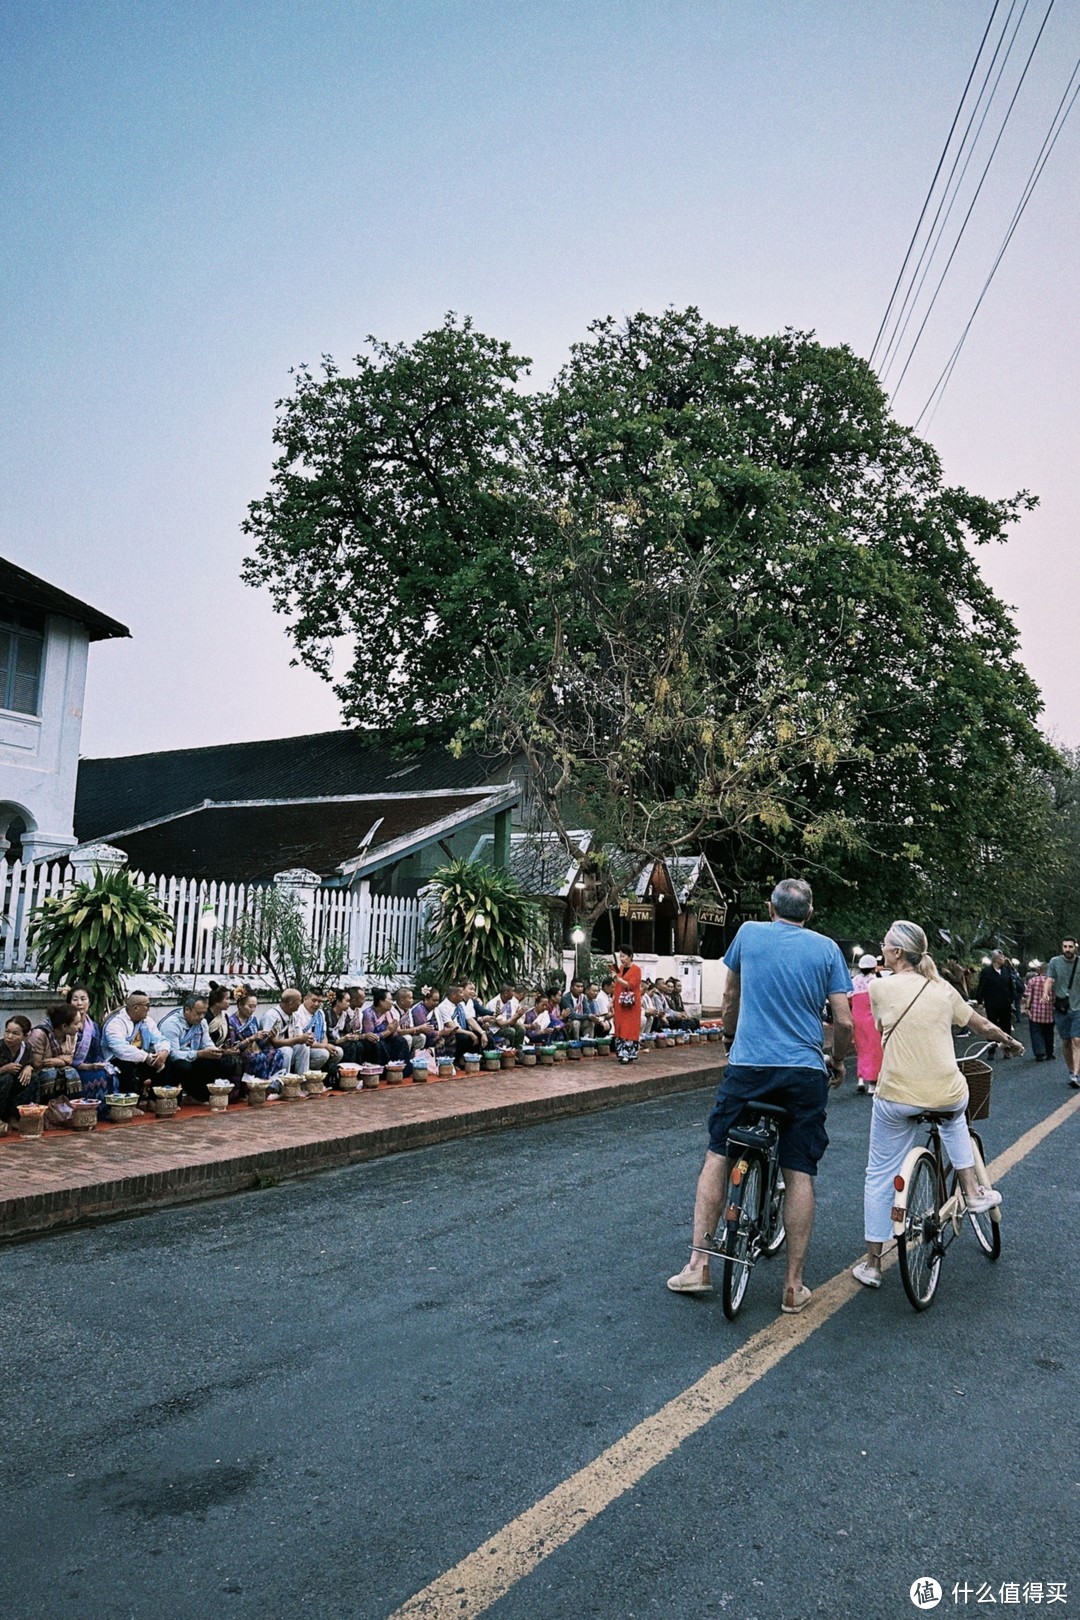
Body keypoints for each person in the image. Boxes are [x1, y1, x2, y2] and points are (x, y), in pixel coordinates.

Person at [667, 878, 853, 1314]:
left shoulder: (748, 934)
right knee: (800, 1171)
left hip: (748, 1067)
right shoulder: (827, 949)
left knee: (718, 1153)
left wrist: (730, 1038)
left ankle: (698, 1264)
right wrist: (837, 1060)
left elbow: (730, 993)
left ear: (771, 908)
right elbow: (844, 1022)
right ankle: (792, 1286)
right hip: (804, 1072)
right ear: (809, 914)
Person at [851, 920, 1020, 1290]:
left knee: (879, 1175)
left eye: (885, 944)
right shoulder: (943, 990)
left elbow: (881, 1028)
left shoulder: (879, 987)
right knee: (955, 1114)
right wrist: (1009, 1041)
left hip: (896, 1096)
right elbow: (981, 1026)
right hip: (944, 1092)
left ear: (896, 953)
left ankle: (873, 1265)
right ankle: (974, 1192)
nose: (881, 947)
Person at [158, 994, 243, 1102]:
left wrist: (220, 1051)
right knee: (183, 1065)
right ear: (187, 1010)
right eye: (198, 1013)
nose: (202, 1016)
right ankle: (173, 1096)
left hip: (193, 1056)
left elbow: (207, 1043)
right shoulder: (171, 1024)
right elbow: (173, 1054)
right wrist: (199, 1054)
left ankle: (202, 1096)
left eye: (204, 1013)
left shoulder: (202, 1023)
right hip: (172, 1062)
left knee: (224, 1061)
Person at [102, 992, 170, 1102]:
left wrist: (163, 1052)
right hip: (117, 1060)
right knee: (126, 1064)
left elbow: (160, 1039)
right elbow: (120, 1049)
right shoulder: (116, 1022)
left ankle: (154, 1100)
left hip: (142, 1057)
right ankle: (129, 1103)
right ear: (136, 1008)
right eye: (147, 1005)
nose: (149, 1009)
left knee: (166, 1060)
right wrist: (147, 1057)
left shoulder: (147, 1021)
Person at [65, 982, 117, 1110]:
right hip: (73, 1066)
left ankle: (108, 1111)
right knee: (98, 1077)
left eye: (83, 999)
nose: (79, 1003)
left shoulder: (93, 1026)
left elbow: (97, 1052)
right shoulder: (64, 1024)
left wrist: (100, 1064)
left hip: (90, 1064)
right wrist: (88, 1067)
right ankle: (89, 1111)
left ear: (89, 1002)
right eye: (75, 999)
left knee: (110, 1074)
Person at [226, 991, 285, 1087]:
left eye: (255, 1006)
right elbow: (234, 1047)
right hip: (240, 1053)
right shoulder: (231, 1022)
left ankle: (270, 1083)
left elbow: (260, 1044)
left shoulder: (253, 1020)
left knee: (277, 1053)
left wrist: (269, 1037)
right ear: (239, 1005)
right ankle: (262, 1085)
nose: (253, 1010)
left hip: (255, 1051)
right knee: (259, 1058)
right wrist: (251, 1038)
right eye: (250, 1006)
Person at [28, 1002, 84, 1100]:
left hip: (58, 1068)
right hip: (37, 1073)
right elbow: (37, 1063)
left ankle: (71, 1108)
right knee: (50, 1073)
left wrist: (58, 1061)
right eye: (75, 1023)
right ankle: (46, 1108)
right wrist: (61, 1060)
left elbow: (70, 1059)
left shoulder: (72, 1035)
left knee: (71, 1072)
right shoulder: (39, 1034)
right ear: (64, 1026)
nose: (79, 1026)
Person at [1045, 938, 1080, 1088]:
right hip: (1062, 1008)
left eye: (1070, 947)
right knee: (1066, 1041)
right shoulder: (1055, 962)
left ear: (1075, 948)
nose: (1067, 949)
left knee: (1077, 1040)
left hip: (1078, 1007)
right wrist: (1045, 993)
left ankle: (1076, 1074)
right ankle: (1072, 1071)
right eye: (1065, 946)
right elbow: (1049, 980)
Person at [850, 953, 884, 1095]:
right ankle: (872, 1084)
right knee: (874, 1050)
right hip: (871, 1019)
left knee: (861, 1049)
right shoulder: (875, 981)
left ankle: (860, 1079)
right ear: (873, 967)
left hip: (857, 1018)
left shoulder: (854, 980)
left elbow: (849, 999)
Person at [975, 951, 1018, 1053]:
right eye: (1001, 957)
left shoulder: (1006, 970)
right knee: (992, 1027)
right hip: (992, 1004)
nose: (1003, 959)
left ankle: (1007, 1048)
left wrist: (1011, 1000)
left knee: (1006, 1026)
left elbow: (1011, 986)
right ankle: (991, 1049)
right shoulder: (986, 971)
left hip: (1005, 1003)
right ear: (995, 959)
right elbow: (982, 986)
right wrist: (980, 1001)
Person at [0, 1015, 35, 1121]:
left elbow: (31, 1062)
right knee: (7, 1078)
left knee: (33, 1078)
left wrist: (29, 1067)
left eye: (15, 1033)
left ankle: (15, 1117)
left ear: (25, 1036)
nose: (9, 1036)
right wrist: (3, 1069)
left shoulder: (27, 1048)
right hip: (3, 1084)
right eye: (7, 1031)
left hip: (15, 1086)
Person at [612, 948, 643, 1063]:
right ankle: (621, 1053)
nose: (622, 959)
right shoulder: (620, 969)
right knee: (620, 1026)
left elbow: (630, 985)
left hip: (631, 1004)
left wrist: (617, 978)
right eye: (620, 956)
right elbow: (617, 987)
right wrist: (612, 1000)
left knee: (629, 1027)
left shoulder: (636, 970)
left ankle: (629, 1054)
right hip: (620, 1003)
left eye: (624, 956)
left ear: (630, 956)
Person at [1021, 962, 1056, 1063]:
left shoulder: (1032, 981)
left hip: (1035, 1012)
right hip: (1049, 1012)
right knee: (1049, 1033)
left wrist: (1027, 1007)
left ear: (1039, 970)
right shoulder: (1053, 981)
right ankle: (1050, 1053)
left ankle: (1039, 1053)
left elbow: (1029, 996)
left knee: (1036, 1033)